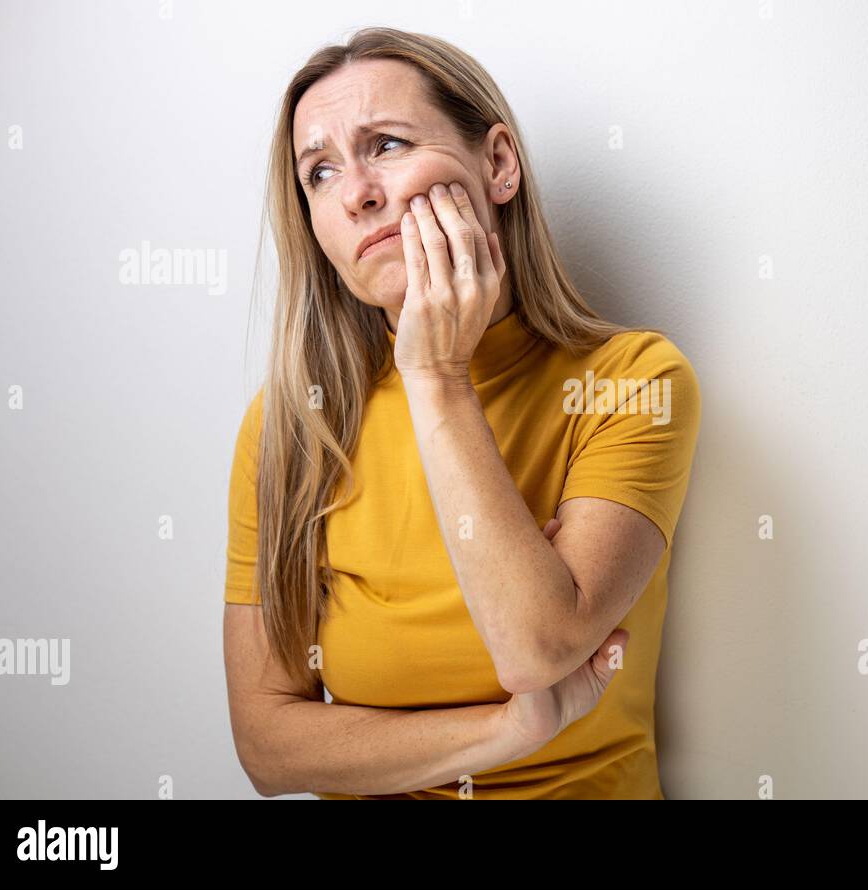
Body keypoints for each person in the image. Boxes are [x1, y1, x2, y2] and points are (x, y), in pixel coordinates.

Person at [222, 27, 701, 799]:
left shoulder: (633, 380)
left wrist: (437, 374)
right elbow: (268, 749)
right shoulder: (288, 428)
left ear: (498, 164)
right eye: (319, 172)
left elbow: (537, 648)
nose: (356, 193)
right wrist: (506, 731)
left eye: (386, 143)